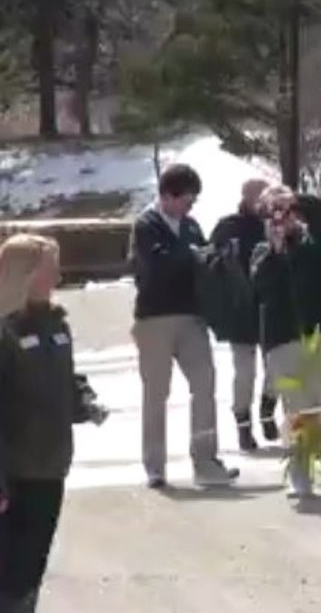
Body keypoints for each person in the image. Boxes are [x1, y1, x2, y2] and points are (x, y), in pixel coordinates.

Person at [0, 235, 109, 613]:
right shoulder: (6, 329)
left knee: (33, 566)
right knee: (10, 572)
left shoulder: (57, 324)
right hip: (15, 471)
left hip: (51, 464)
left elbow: (67, 380)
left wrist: (85, 401)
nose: (58, 276)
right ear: (25, 274)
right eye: (50, 268)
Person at [251, 185, 321, 499]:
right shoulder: (263, 254)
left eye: (286, 214)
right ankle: (300, 476)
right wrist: (276, 249)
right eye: (274, 216)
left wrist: (296, 201)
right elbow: (262, 288)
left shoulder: (317, 242)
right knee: (298, 410)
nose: (281, 221)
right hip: (284, 340)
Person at [129, 163, 238, 489]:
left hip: (191, 316)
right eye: (186, 200)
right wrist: (190, 255)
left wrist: (216, 257)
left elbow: (201, 260)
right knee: (156, 392)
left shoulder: (190, 226)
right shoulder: (145, 225)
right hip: (154, 318)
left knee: (204, 384)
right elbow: (154, 265)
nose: (189, 208)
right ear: (167, 196)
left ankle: (206, 460)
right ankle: (155, 465)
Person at [210, 178, 273, 451]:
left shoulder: (277, 224)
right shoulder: (228, 227)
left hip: (272, 309)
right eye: (257, 196)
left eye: (265, 196)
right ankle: (243, 424)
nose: (262, 201)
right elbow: (210, 266)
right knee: (244, 372)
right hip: (240, 311)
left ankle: (268, 410)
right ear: (245, 197)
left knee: (277, 369)